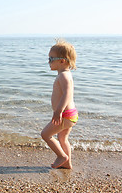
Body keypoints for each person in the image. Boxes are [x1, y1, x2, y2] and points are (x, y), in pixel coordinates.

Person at [41, 39, 78, 169]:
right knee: (62, 138)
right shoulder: (66, 75)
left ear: (62, 61)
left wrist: (58, 111)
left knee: (45, 134)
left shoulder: (63, 76)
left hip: (65, 114)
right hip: (70, 114)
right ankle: (67, 164)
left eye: (51, 59)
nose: (48, 62)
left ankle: (61, 156)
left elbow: (67, 94)